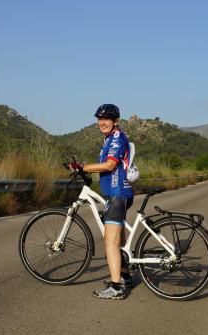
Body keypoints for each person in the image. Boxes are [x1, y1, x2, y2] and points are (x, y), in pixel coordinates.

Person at [69, 103, 134, 300]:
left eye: (106, 119)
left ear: (115, 121)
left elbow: (110, 164)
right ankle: (124, 277)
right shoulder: (109, 139)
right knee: (118, 240)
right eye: (100, 119)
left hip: (117, 193)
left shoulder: (116, 138)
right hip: (116, 193)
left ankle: (116, 288)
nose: (102, 122)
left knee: (110, 242)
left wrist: (83, 167)